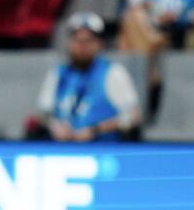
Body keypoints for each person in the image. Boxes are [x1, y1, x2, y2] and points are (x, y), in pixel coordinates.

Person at [35, 12, 140, 142]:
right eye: (77, 40)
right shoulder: (58, 73)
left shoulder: (113, 73)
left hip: (102, 151)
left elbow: (133, 116)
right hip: (62, 150)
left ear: (100, 44)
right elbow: (43, 113)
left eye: (88, 41)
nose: (82, 47)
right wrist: (55, 126)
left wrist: (95, 130)